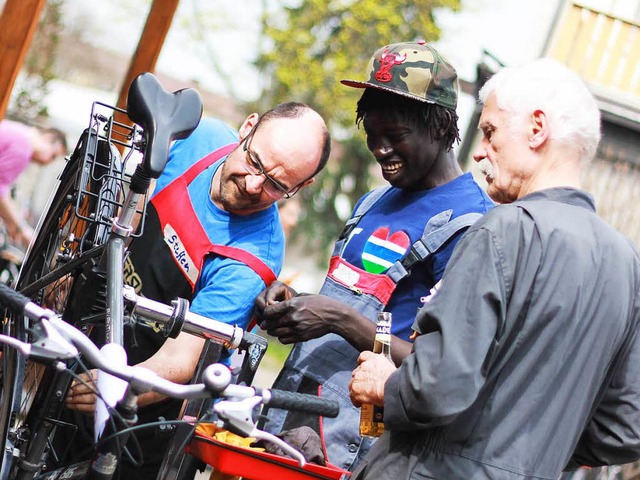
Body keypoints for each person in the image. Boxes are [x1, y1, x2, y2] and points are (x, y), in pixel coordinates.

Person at [348, 58, 640, 480]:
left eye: (490, 132)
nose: (480, 151)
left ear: (537, 129)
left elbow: (436, 387)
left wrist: (385, 384)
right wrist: (530, 449)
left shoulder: (504, 230)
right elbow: (627, 426)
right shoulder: (627, 264)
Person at [254, 41, 493, 470]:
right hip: (292, 420)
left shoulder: (473, 227)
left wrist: (338, 319)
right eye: (372, 134)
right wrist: (297, 303)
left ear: (441, 127)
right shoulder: (373, 202)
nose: (380, 150)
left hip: (357, 445)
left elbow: (441, 367)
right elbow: (359, 299)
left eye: (396, 136)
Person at [64, 102, 331, 478]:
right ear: (247, 127)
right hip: (86, 332)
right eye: (255, 162)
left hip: (139, 417)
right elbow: (131, 205)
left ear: (301, 187)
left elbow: (183, 357)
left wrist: (116, 387)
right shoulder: (200, 138)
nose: (254, 185)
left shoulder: (252, 259)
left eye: (276, 185)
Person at [0, 119, 67, 246]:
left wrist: (11, 222)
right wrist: (22, 228)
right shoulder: (23, 148)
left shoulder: (19, 132)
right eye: (52, 156)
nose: (47, 163)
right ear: (48, 138)